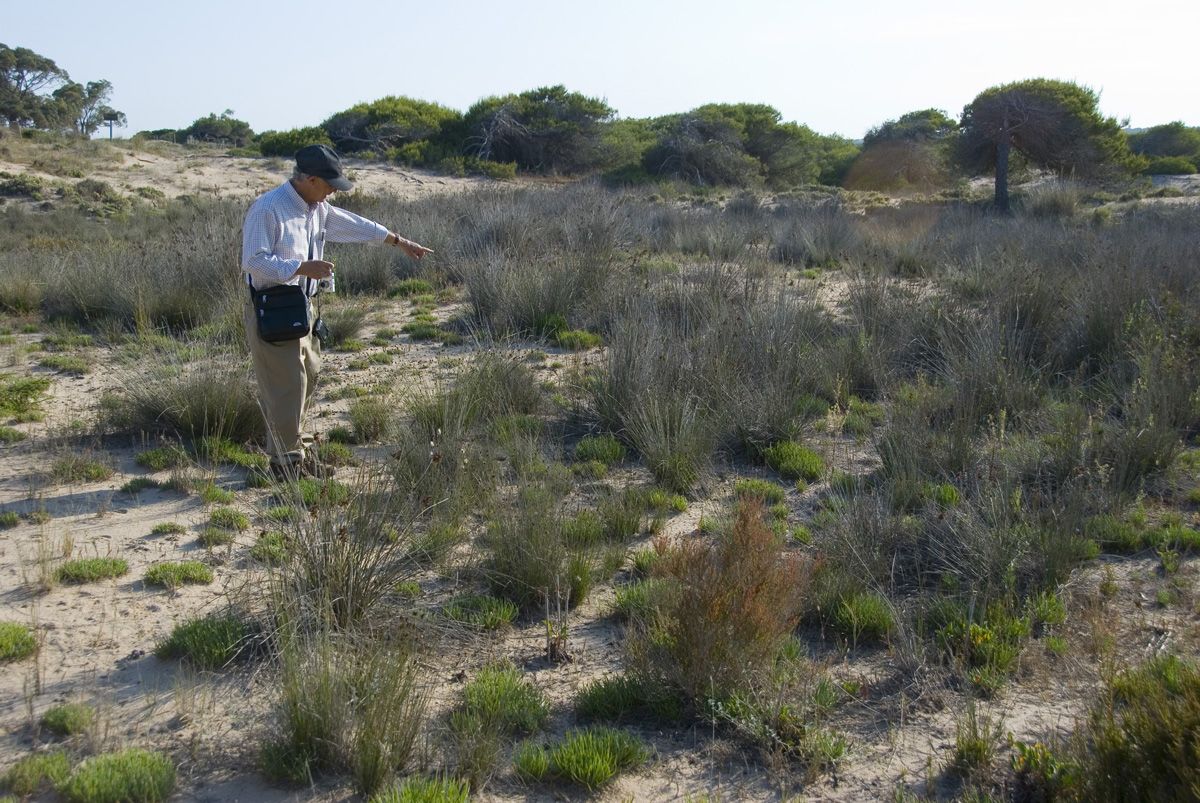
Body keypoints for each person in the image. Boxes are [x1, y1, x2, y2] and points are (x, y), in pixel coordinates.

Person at [241, 144, 432, 478]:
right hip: (273, 308)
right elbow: (254, 264)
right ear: (309, 179)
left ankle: (293, 453)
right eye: (328, 184)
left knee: (308, 377)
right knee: (288, 386)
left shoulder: (319, 208)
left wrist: (399, 242)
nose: (332, 192)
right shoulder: (267, 209)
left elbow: (357, 226)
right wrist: (301, 268)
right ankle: (285, 466)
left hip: (304, 308)